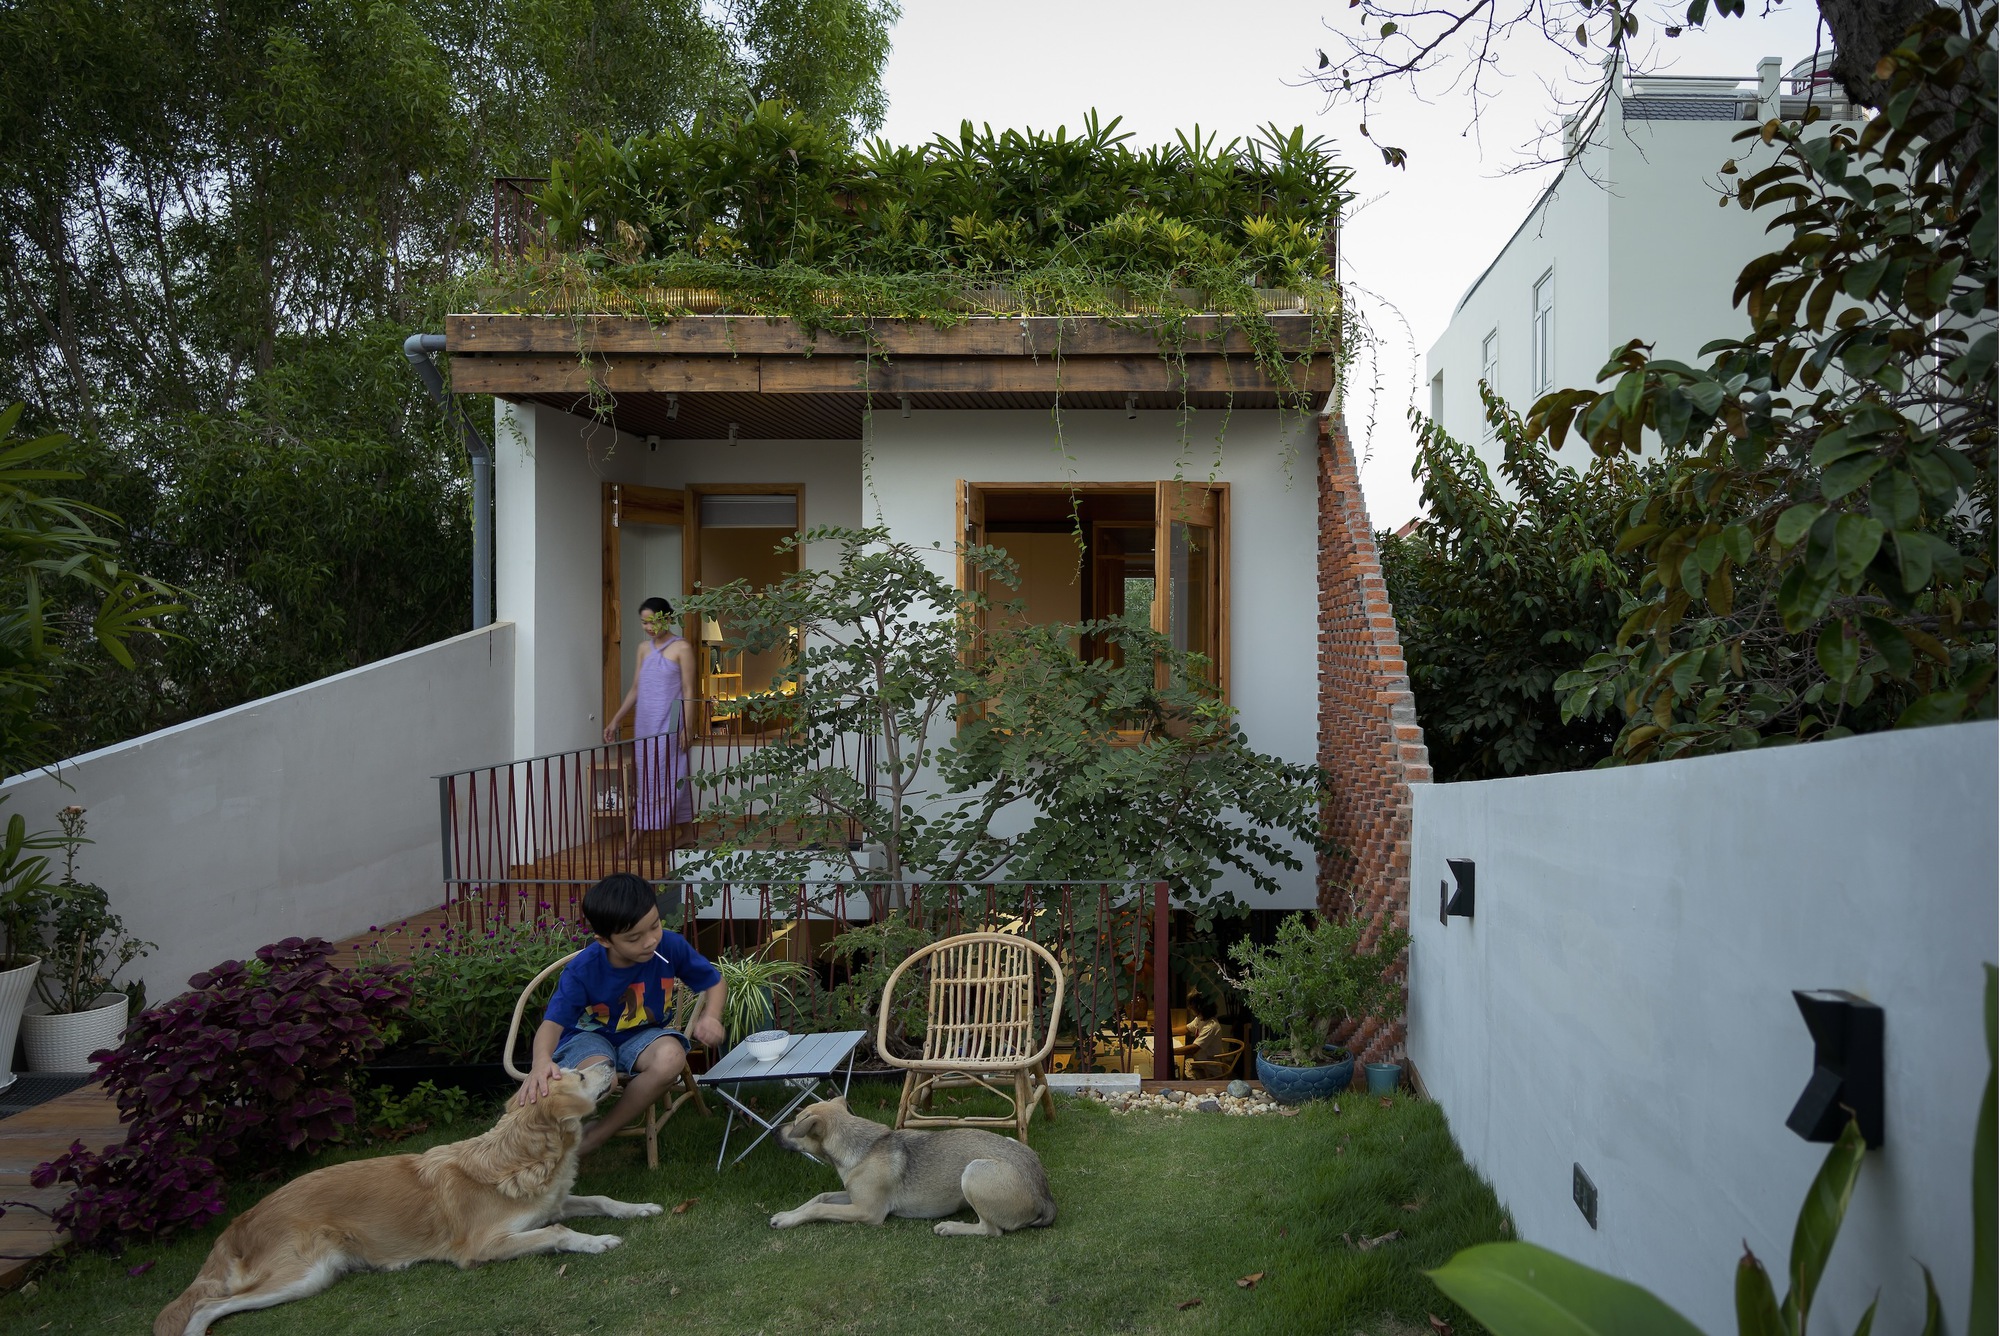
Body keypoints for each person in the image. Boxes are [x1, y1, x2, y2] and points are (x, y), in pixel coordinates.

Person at [517, 872, 727, 1156]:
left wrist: (711, 1016)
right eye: (634, 938)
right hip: (588, 1036)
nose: (650, 941)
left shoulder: (669, 946)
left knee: (671, 1058)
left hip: (645, 1035)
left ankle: (601, 1132)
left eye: (655, 926)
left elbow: (714, 982)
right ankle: (538, 1143)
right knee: (604, 1078)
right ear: (604, 940)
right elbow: (553, 1024)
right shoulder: (584, 969)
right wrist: (541, 1061)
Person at [603, 596, 697, 850]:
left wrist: (687, 728)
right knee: (650, 777)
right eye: (644, 623)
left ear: (667, 618)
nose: (648, 627)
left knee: (665, 777)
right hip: (645, 725)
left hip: (670, 724)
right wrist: (615, 721)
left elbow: (689, 691)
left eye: (652, 621)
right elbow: (635, 689)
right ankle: (687, 833)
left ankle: (637, 837)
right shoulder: (643, 649)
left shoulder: (682, 648)